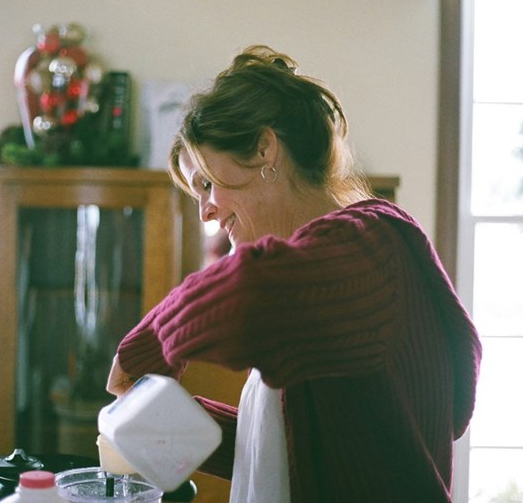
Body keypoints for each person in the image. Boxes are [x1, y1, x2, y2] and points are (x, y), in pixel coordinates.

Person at [106, 45, 482, 502]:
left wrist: (146, 347)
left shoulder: (370, 245)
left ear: (265, 148)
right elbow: (303, 444)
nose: (205, 211)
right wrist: (176, 428)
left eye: (206, 182)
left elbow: (245, 292)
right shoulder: (317, 281)